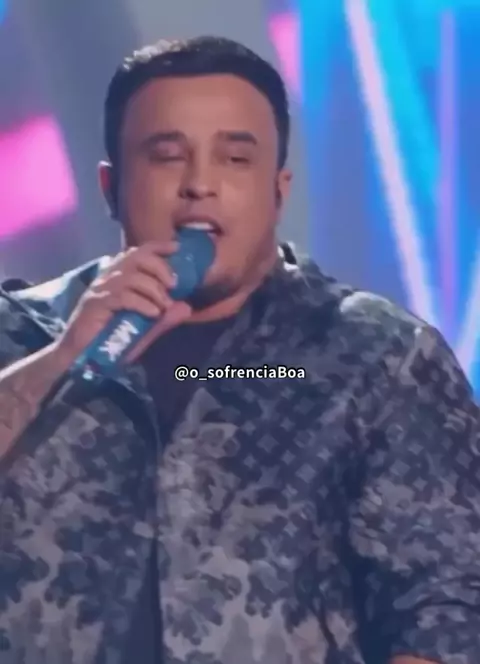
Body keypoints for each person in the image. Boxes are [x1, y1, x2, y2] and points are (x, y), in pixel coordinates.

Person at [0, 35, 479, 664]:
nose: (200, 184)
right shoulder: (20, 334)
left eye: (234, 159)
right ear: (111, 187)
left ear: (279, 190)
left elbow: (445, 607)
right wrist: (63, 358)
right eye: (167, 156)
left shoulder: (375, 356)